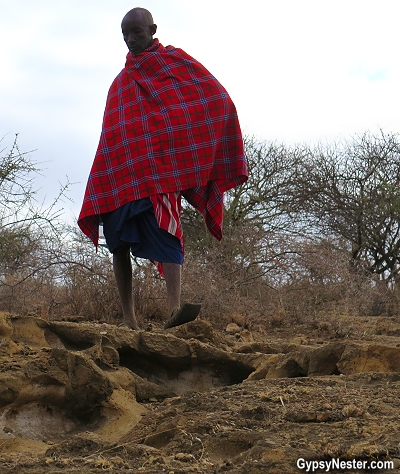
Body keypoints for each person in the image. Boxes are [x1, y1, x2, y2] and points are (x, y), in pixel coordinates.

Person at [78, 7, 248, 330]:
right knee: (118, 243)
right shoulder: (119, 85)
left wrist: (180, 145)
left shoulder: (176, 64)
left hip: (161, 174)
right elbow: (112, 136)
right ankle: (129, 319)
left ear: (153, 29)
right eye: (125, 35)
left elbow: (211, 97)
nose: (130, 40)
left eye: (136, 33)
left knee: (169, 233)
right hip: (124, 175)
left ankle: (174, 311)